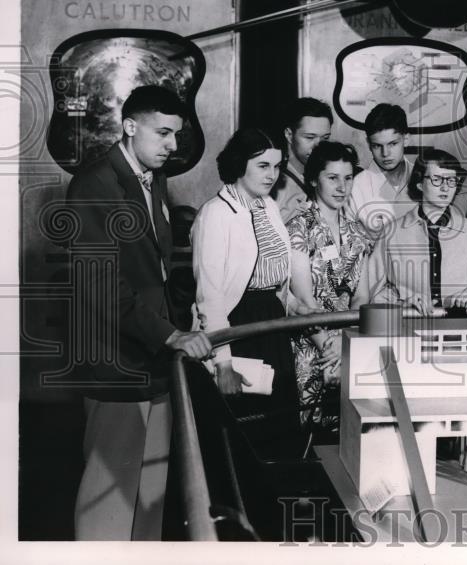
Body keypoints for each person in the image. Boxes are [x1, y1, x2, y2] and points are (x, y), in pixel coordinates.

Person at [67, 85, 212, 540]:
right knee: (109, 499)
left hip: (153, 360)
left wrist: (185, 324)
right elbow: (100, 285)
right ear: (130, 127)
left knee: (151, 494)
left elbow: (157, 271)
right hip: (115, 362)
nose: (172, 146)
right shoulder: (94, 183)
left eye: (176, 135)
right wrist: (171, 336)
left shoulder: (153, 178)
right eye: (162, 133)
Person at [192, 127, 301, 459]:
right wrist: (223, 362)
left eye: (277, 166)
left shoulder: (267, 206)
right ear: (240, 164)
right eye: (263, 166)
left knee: (279, 426)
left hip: (271, 321)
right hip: (237, 326)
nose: (272, 175)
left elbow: (278, 273)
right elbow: (208, 295)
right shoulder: (216, 213)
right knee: (245, 431)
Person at [286, 141, 374, 427]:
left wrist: (343, 342)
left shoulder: (357, 232)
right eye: (332, 178)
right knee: (310, 438)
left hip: (348, 344)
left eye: (348, 178)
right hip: (311, 348)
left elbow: (362, 298)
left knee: (350, 438)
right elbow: (303, 302)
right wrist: (329, 347)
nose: (342, 187)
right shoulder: (298, 227)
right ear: (313, 179)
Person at [365, 147, 467, 313]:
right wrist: (401, 304)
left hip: (463, 332)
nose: (446, 188)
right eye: (437, 179)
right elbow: (372, 290)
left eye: (451, 180)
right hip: (408, 331)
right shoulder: (391, 233)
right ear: (419, 183)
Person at [348, 103, 414, 236]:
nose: (385, 153)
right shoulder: (356, 187)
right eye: (377, 146)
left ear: (406, 139)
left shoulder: (424, 179)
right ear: (368, 144)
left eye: (393, 144)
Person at [272, 97, 333, 222]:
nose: (319, 147)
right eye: (310, 137)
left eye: (325, 138)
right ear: (289, 135)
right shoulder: (271, 183)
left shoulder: (328, 176)